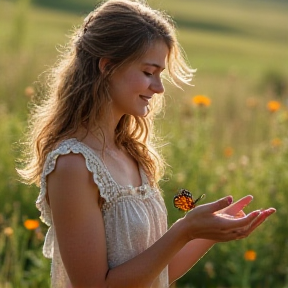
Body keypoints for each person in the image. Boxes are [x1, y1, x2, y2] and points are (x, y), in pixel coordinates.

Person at [18, 0, 276, 287]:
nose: (159, 87)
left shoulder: (132, 155)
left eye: (159, 74)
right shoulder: (73, 165)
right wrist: (184, 230)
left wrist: (206, 231)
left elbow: (158, 271)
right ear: (107, 66)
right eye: (148, 72)